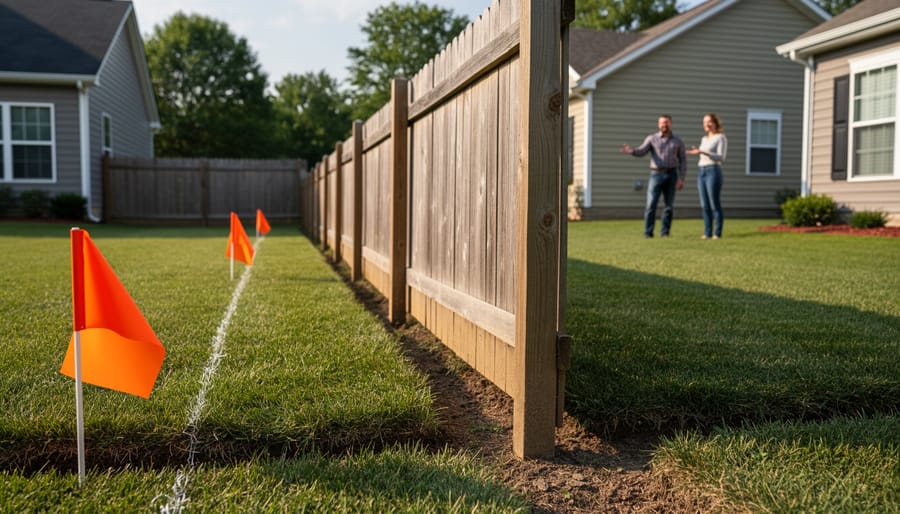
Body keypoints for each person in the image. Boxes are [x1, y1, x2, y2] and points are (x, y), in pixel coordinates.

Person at [620, 114, 687, 238]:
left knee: (668, 206)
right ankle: (648, 233)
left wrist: (681, 178)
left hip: (672, 174)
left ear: (671, 124)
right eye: (662, 123)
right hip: (655, 175)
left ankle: (665, 233)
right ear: (658, 124)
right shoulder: (652, 138)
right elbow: (642, 151)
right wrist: (632, 151)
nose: (664, 125)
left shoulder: (678, 140)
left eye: (666, 122)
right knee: (651, 205)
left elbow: (683, 160)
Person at [687, 113, 727, 239]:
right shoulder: (704, 139)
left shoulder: (721, 137)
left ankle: (717, 233)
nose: (707, 124)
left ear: (715, 123)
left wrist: (703, 151)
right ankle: (707, 232)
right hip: (701, 171)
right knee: (705, 205)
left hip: (713, 170)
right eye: (704, 122)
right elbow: (701, 154)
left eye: (709, 121)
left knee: (714, 203)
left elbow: (721, 157)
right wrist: (695, 152)